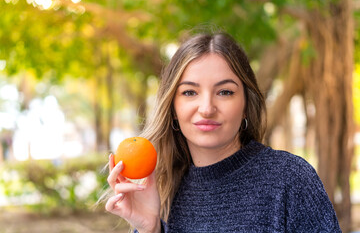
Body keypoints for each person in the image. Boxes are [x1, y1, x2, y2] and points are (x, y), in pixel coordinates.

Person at [105, 32, 341, 232]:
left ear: (246, 106)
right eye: (189, 92)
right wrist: (151, 228)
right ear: (173, 108)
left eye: (225, 92)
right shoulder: (162, 192)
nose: (207, 108)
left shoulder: (290, 179)